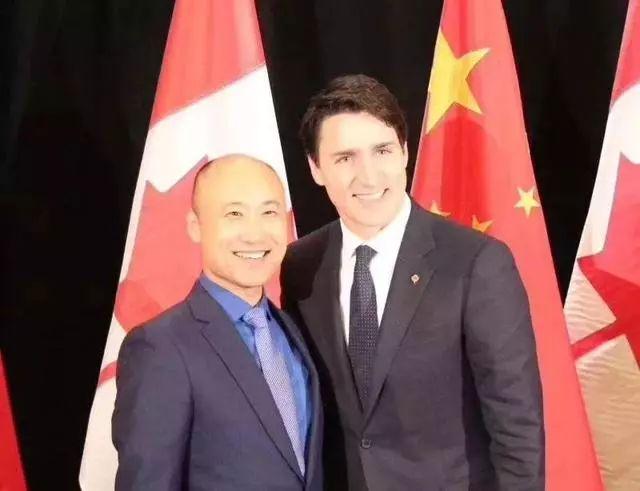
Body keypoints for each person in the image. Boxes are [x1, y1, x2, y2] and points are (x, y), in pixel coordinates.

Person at [281, 75, 544, 491]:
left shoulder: (476, 263)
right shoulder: (300, 264)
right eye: (345, 158)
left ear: (404, 151)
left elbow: (518, 427)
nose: (368, 176)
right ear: (316, 168)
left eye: (382, 151)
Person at [112, 154, 323, 491]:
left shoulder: (294, 328)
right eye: (234, 214)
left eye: (269, 212)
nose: (254, 234)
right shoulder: (160, 348)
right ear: (195, 226)